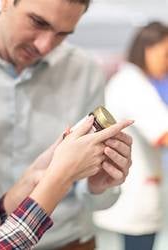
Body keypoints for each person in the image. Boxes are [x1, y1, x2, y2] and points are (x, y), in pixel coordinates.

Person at [0, 0, 133, 249]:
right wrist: (59, 175)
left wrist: (43, 178)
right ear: (7, 3)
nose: (44, 45)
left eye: (62, 34)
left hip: (66, 239)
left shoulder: (85, 71)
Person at [94, 21, 168, 250]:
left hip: (138, 190)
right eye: (166, 54)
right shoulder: (133, 84)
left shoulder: (134, 81)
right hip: (134, 195)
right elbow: (163, 134)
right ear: (148, 49)